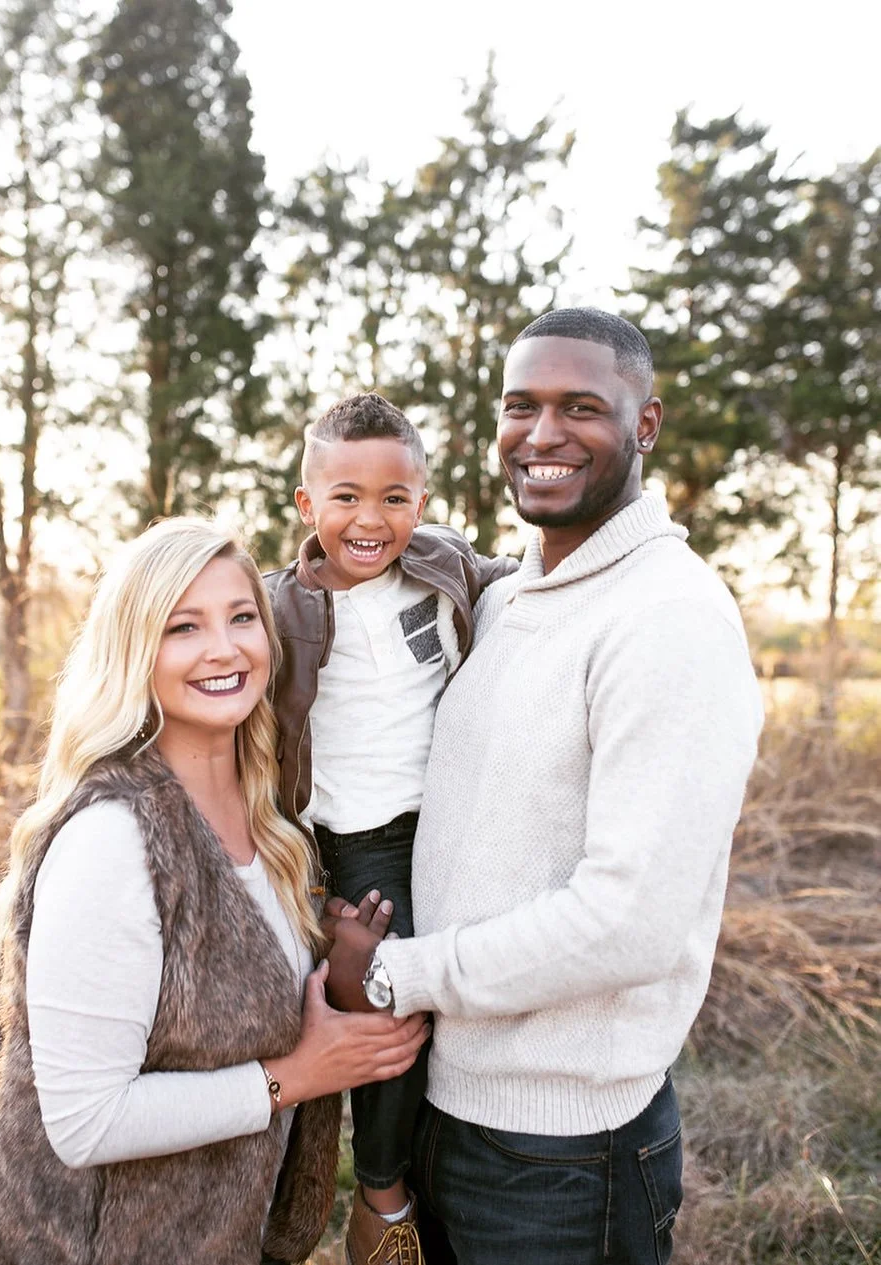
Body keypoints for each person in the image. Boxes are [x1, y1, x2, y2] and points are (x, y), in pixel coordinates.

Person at [323, 310, 765, 1264]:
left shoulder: (669, 618)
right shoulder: (499, 597)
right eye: (520, 405)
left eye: (582, 407)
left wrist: (398, 974)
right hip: (447, 1104)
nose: (543, 434)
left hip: (566, 1153)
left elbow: (631, 918)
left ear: (645, 424)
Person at [0, 517, 429, 1265]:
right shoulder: (114, 835)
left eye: (242, 617)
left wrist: (333, 966)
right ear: (136, 652)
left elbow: (230, 996)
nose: (223, 648)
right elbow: (86, 1121)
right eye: (184, 627)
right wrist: (299, 1075)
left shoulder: (274, 822)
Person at [264, 393, 516, 1265]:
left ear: (424, 499)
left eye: (395, 498)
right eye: (345, 497)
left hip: (443, 822)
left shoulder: (449, 568)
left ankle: (419, 1183)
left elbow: (530, 583)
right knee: (381, 1003)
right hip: (346, 842)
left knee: (430, 1004)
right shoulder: (277, 608)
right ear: (306, 505)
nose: (370, 519)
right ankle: (378, 1198)